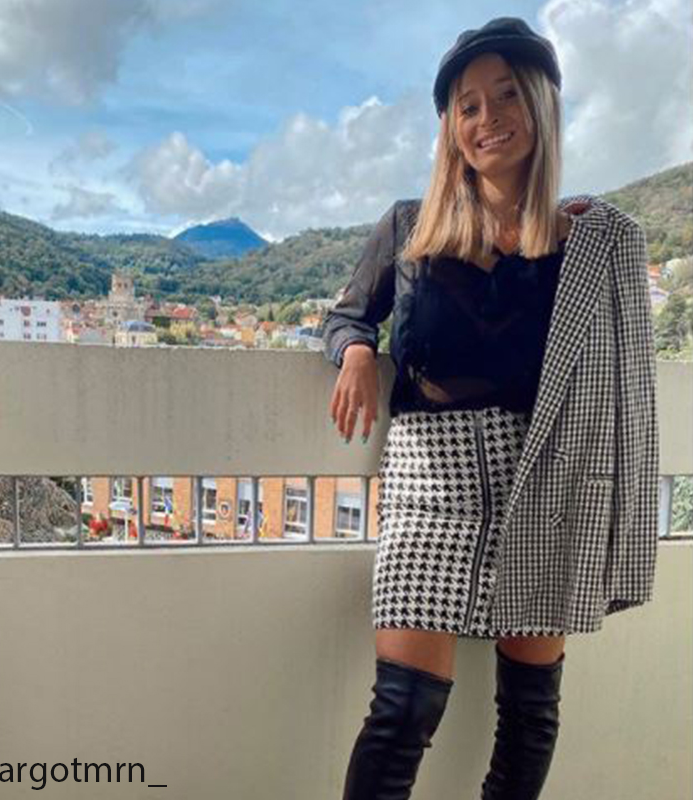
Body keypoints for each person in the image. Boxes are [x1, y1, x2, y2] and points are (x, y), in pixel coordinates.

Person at [321, 16, 659, 800]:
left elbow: (625, 386)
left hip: (544, 480)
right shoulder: (409, 227)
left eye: (507, 95)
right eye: (467, 105)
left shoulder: (586, 245)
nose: (487, 118)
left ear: (540, 106)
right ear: (451, 127)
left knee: (529, 713)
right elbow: (345, 316)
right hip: (428, 487)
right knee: (400, 712)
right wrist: (358, 352)